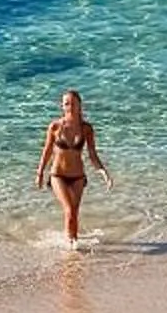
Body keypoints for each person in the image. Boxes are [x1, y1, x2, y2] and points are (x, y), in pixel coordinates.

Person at [33, 88, 111, 241]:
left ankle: (73, 246)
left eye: (73, 103)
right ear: (62, 106)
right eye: (66, 104)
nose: (70, 107)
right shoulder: (55, 127)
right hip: (58, 175)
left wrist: (104, 173)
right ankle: (71, 247)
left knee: (73, 213)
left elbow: (93, 155)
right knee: (69, 210)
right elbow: (47, 151)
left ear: (80, 105)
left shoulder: (86, 128)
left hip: (78, 176)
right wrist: (40, 173)